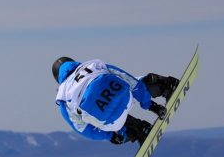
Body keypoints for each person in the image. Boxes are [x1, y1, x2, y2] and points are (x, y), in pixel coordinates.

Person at [52, 56, 180, 145]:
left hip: (111, 121)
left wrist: (111, 136)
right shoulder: (91, 65)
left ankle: (139, 130)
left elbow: (83, 129)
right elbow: (129, 80)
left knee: (97, 118)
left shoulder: (62, 97)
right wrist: (151, 106)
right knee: (130, 83)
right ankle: (165, 86)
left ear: (58, 78)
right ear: (73, 62)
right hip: (125, 96)